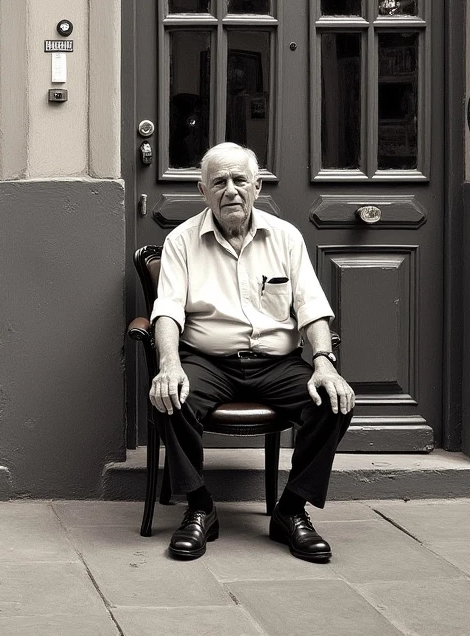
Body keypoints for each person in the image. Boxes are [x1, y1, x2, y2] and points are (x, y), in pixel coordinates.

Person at [148, 142, 355, 563]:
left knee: (334, 403)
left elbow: (311, 308)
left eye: (240, 180)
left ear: (257, 187)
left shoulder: (286, 238)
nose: (231, 191)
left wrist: (322, 363)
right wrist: (168, 365)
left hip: (275, 364)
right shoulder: (181, 242)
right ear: (203, 190)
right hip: (209, 362)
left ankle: (291, 511)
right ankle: (200, 507)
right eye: (219, 182)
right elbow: (167, 310)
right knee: (170, 398)